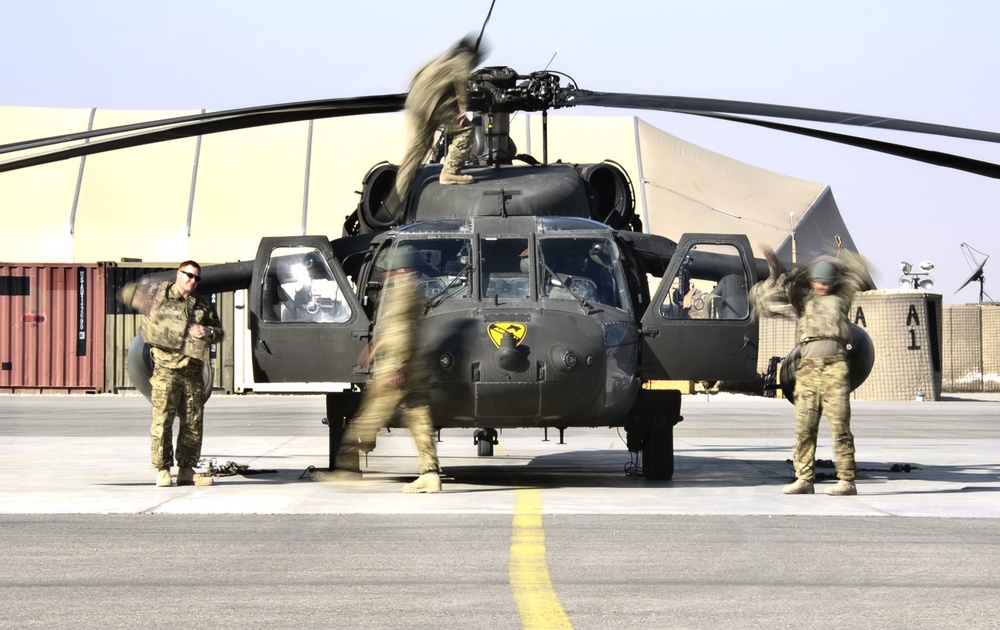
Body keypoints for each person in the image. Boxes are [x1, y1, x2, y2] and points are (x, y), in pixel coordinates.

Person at [316, 246, 442, 493]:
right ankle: (430, 473)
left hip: (398, 366)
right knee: (419, 420)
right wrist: (375, 346)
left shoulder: (401, 291)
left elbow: (400, 332)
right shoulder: (415, 288)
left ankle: (348, 468)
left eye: (387, 271)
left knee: (368, 418)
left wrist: (395, 367)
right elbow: (404, 327)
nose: (384, 276)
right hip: (414, 365)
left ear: (398, 269)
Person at [751, 246, 874, 496]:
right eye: (818, 281)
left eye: (827, 282)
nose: (822, 286)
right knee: (805, 427)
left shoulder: (842, 296)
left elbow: (861, 269)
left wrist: (835, 263)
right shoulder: (804, 298)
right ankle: (804, 479)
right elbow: (784, 280)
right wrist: (775, 262)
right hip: (807, 368)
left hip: (835, 367)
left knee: (840, 425)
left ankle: (847, 481)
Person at [118, 261, 224, 488]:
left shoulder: (201, 306)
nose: (192, 281)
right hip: (166, 370)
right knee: (162, 421)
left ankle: (186, 469)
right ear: (178, 274)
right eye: (188, 275)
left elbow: (219, 332)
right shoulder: (158, 295)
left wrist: (208, 331)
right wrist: (143, 294)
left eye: (196, 278)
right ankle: (163, 470)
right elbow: (126, 293)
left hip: (193, 372)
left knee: (192, 423)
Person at [392, 36, 483, 216]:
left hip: (416, 103)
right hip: (434, 105)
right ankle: (449, 171)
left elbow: (416, 74)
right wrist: (463, 105)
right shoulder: (461, 59)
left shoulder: (440, 61)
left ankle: (396, 200)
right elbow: (462, 76)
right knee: (466, 129)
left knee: (417, 152)